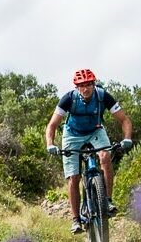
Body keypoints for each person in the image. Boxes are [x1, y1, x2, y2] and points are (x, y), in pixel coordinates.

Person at [45, 68, 134, 233]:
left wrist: (127, 138)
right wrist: (50, 144)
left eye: (88, 85)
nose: (85, 89)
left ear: (94, 84)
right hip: (72, 135)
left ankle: (106, 200)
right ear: (76, 87)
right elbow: (52, 125)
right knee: (74, 177)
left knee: (105, 157)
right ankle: (76, 219)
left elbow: (124, 119)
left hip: (96, 131)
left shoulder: (102, 96)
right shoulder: (68, 99)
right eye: (81, 85)